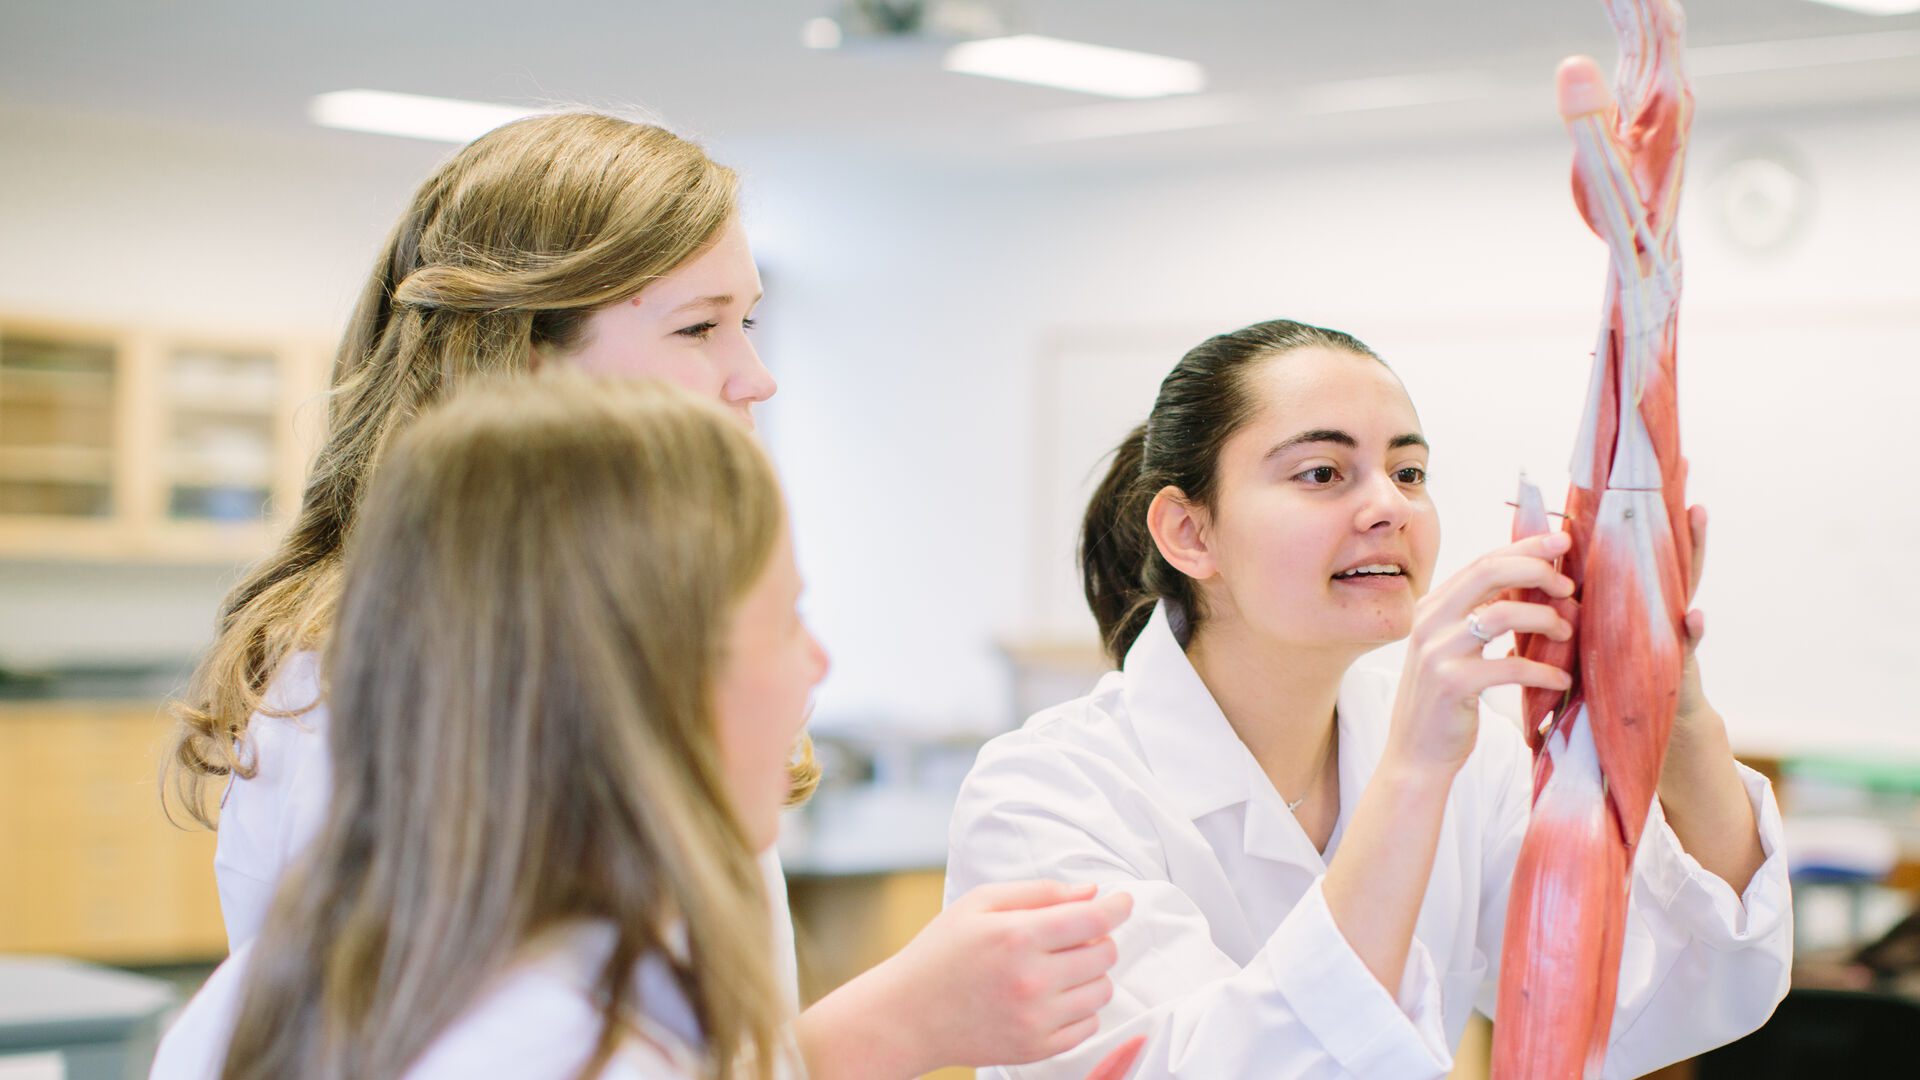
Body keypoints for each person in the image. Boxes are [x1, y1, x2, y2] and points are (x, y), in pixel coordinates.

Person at [164, 112, 1127, 1078]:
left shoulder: (601, 642)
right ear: (525, 370)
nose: (754, 376)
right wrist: (893, 1029)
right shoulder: (373, 681)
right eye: (699, 327)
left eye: (746, 320)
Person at [944, 319, 1792, 1079]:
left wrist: (1673, 708)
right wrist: (1414, 772)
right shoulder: (1045, 797)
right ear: (1189, 533)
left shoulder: (1470, 754)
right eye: (1323, 472)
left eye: (1408, 470)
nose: (1389, 505)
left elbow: (1649, 1005)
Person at [153, 376, 821, 1078]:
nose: (817, 663)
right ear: (634, 676)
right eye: (784, 623)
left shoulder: (248, 999)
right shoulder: (583, 1051)